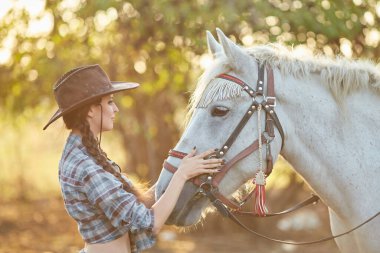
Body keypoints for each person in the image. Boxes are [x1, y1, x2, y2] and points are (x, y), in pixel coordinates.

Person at [43, 64, 223, 253]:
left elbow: (135, 205)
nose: (116, 109)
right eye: (110, 102)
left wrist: (177, 169)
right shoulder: (85, 166)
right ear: (90, 110)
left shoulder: (82, 153)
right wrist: (181, 174)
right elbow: (147, 223)